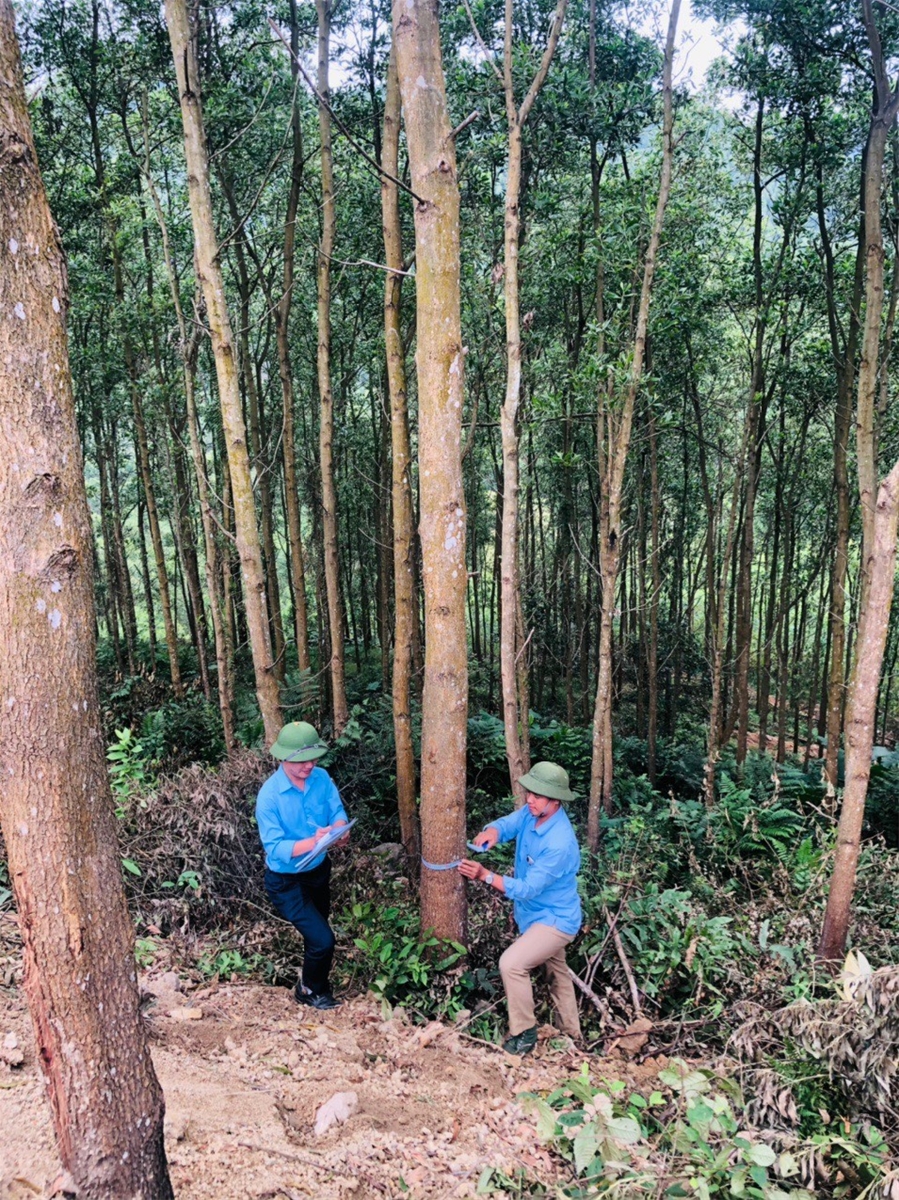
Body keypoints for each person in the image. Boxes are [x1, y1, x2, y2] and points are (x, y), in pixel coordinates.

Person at [458, 761, 582, 1055]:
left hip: (555, 921)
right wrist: (492, 832)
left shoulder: (560, 843)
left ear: (555, 801)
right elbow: (508, 824)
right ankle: (572, 1036)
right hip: (533, 915)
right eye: (530, 793)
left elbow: (526, 888)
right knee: (557, 972)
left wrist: (485, 875)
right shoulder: (531, 814)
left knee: (512, 964)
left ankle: (524, 1034)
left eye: (538, 796)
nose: (530, 799)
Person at [256, 721, 350, 1010]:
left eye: (313, 758)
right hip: (286, 882)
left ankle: (316, 981)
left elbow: (336, 811)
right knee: (323, 939)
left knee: (317, 932)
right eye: (301, 761)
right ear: (283, 758)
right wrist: (315, 840)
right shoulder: (269, 796)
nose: (309, 765)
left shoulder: (321, 778)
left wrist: (340, 829)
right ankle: (308, 990)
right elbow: (276, 848)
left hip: (318, 871)